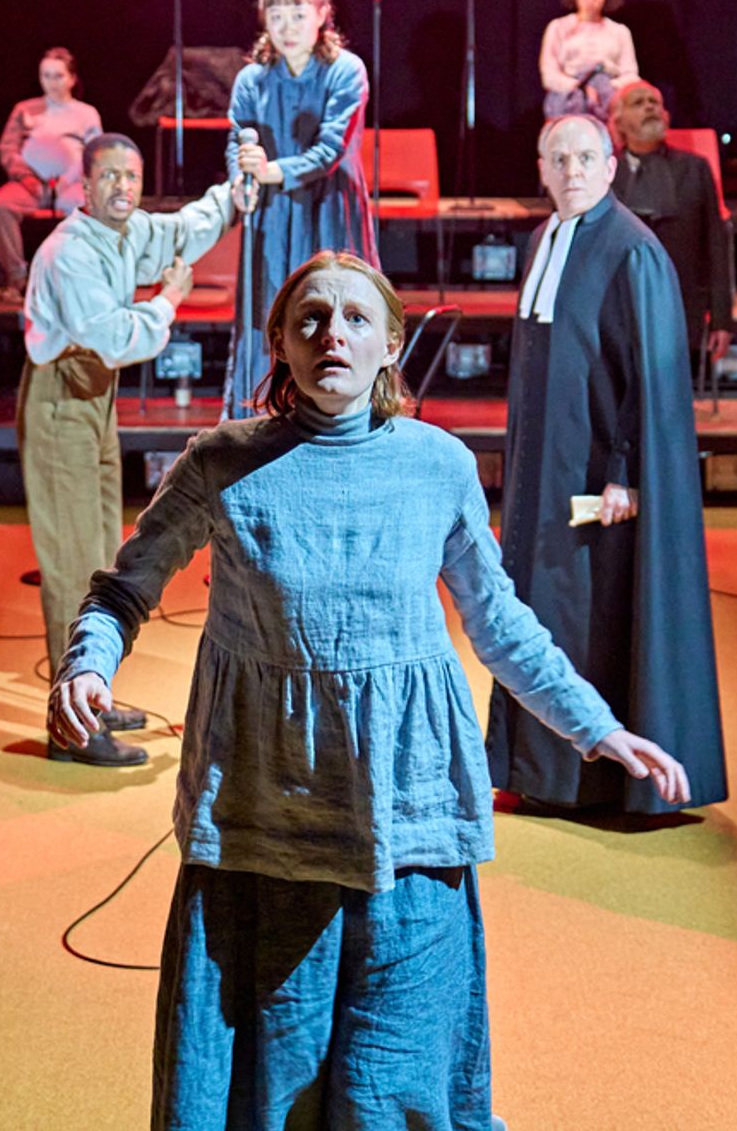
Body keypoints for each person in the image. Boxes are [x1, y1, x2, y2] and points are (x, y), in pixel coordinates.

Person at [48, 251, 690, 1130]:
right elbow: (124, 586)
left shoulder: (439, 465)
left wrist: (596, 727)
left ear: (391, 342)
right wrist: (88, 661)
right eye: (311, 317)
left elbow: (497, 620)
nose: (332, 335)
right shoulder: (221, 461)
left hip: (411, 808)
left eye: (355, 318)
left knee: (399, 1081)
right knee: (275, 1083)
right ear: (278, 339)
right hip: (266, 816)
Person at [486, 115, 727, 814]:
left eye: (586, 157)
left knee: (588, 613)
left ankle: (595, 782)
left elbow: (648, 375)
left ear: (611, 165)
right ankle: (539, 771)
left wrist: (626, 471)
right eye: (558, 158)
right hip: (542, 468)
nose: (572, 170)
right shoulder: (544, 238)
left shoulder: (634, 250)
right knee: (536, 606)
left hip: (597, 474)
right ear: (541, 166)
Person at [21, 133, 234, 767]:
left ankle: (92, 690)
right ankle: (74, 727)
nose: (122, 188)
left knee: (100, 561)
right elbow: (115, 338)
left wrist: (236, 187)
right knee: (71, 565)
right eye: (109, 177)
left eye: (132, 177)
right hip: (63, 395)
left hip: (93, 397)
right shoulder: (69, 253)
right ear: (83, 187)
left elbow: (183, 230)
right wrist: (169, 298)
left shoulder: (125, 231)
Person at [223, 0, 377, 418]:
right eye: (276, 15)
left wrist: (272, 171)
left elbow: (331, 149)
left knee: (334, 305)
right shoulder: (252, 79)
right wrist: (241, 180)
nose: (287, 26)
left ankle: (345, 413)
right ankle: (259, 419)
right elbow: (237, 139)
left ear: (321, 15)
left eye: (297, 13)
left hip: (329, 208)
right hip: (271, 214)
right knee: (269, 313)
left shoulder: (345, 71)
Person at [609, 78, 734, 362]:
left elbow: (716, 246)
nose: (650, 107)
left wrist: (721, 319)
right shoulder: (605, 174)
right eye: (638, 103)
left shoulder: (695, 169)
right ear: (618, 121)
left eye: (655, 102)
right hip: (617, 312)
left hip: (679, 308)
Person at [0, 47, 102, 302]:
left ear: (72, 78)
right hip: (30, 184)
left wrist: (64, 183)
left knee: (83, 207)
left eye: (58, 76)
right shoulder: (25, 109)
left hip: (71, 183)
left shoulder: (86, 113)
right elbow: (8, 148)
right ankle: (16, 277)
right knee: (1, 206)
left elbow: (93, 153)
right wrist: (26, 176)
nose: (52, 82)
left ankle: (76, 278)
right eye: (46, 76)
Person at [539, 0, 638, 121]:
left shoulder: (619, 32)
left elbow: (630, 73)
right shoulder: (558, 27)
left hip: (608, 94)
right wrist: (580, 89)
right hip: (569, 95)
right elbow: (549, 74)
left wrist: (604, 89)